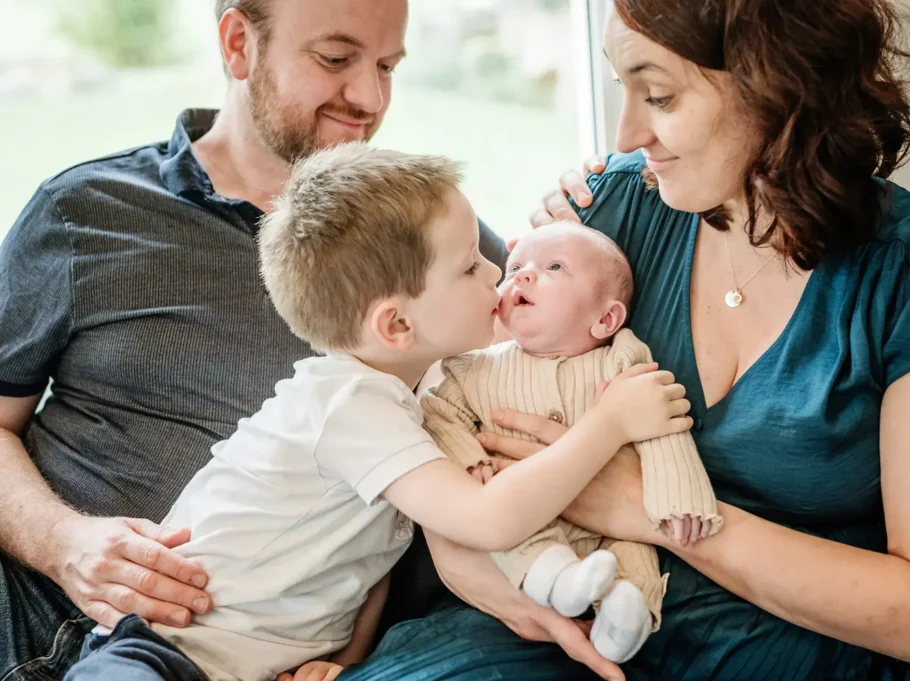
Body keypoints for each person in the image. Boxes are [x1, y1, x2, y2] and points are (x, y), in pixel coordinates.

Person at [336, 1, 910, 680]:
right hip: (551, 629)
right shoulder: (609, 216)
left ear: (779, 86)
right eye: (622, 87)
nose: (630, 132)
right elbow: (466, 399)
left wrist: (645, 508)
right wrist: (483, 572)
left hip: (766, 652)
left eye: (659, 95)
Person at [0, 2, 506, 680]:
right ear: (239, 44)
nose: (370, 97)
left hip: (245, 656)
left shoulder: (441, 264)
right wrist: (63, 540)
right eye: (335, 58)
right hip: (39, 621)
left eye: (387, 65)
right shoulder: (86, 211)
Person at [63, 144, 690, 681]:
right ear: (396, 324)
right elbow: (488, 520)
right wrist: (607, 423)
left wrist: (343, 658)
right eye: (471, 264)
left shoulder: (416, 396)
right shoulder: (348, 403)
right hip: (160, 652)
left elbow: (365, 565)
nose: (498, 271)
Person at [420, 222, 721, 664]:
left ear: (606, 319)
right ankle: (558, 579)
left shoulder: (622, 359)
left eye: (554, 267)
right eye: (515, 266)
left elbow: (661, 423)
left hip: (615, 525)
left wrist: (680, 497)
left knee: (636, 557)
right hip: (528, 511)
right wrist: (467, 461)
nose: (522, 275)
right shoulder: (474, 369)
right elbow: (440, 415)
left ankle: (626, 620)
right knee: (509, 524)